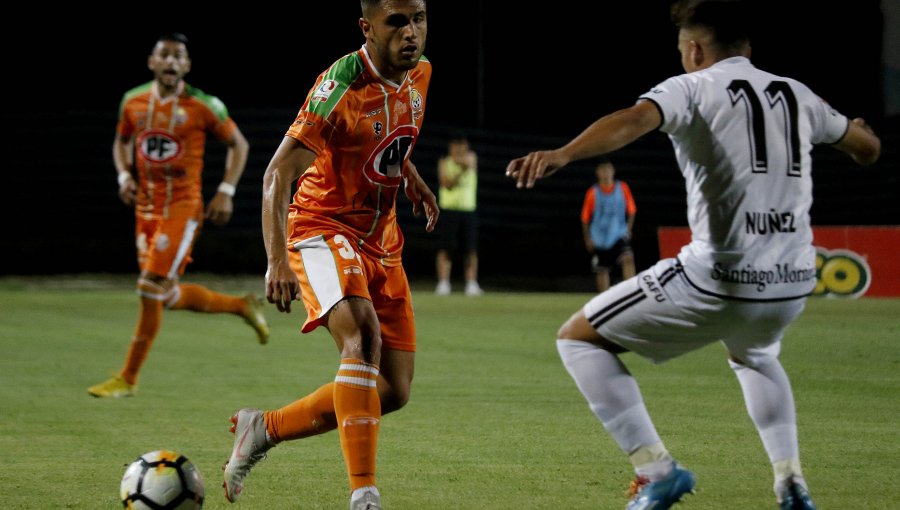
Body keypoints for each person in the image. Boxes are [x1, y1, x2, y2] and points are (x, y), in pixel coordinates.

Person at [506, 1, 880, 509]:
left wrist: (563, 154)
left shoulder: (692, 86)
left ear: (696, 49)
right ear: (748, 48)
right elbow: (866, 148)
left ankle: (657, 472)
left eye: (683, 49)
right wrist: (861, 133)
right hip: (793, 279)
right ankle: (791, 482)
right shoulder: (798, 94)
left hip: (721, 277)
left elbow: (633, 119)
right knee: (755, 355)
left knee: (578, 341)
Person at [222, 2, 436, 509]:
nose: (412, 33)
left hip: (382, 240)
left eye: (420, 19)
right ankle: (364, 494)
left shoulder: (420, 74)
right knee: (361, 336)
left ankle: (264, 427)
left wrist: (410, 176)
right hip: (322, 226)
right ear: (367, 27)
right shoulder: (339, 86)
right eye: (398, 23)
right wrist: (276, 259)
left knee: (394, 389)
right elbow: (277, 174)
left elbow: (384, 140)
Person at [88, 33, 269, 399]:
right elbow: (122, 139)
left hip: (183, 208)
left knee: (148, 285)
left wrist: (226, 190)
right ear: (152, 62)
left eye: (178, 57)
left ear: (186, 66)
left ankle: (128, 377)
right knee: (165, 295)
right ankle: (240, 306)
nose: (171, 62)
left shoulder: (204, 106)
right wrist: (124, 174)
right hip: (146, 208)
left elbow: (239, 144)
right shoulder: (133, 101)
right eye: (164, 55)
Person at [434, 134, 483, 296]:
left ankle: (471, 283)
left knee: (470, 250)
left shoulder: (471, 158)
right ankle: (443, 284)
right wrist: (461, 171)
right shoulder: (444, 162)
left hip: (468, 210)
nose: (460, 150)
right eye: (456, 146)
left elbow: (470, 162)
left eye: (463, 146)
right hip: (449, 210)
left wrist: (462, 165)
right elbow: (446, 183)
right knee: (446, 249)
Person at [581, 158, 637, 292]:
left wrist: (628, 229)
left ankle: (631, 292)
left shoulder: (622, 188)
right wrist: (588, 238)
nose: (606, 173)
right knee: (602, 269)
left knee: (627, 258)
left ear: (613, 171)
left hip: (619, 233)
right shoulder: (593, 193)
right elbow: (585, 218)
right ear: (598, 173)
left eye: (608, 170)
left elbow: (632, 210)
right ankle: (604, 300)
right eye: (603, 170)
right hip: (600, 237)